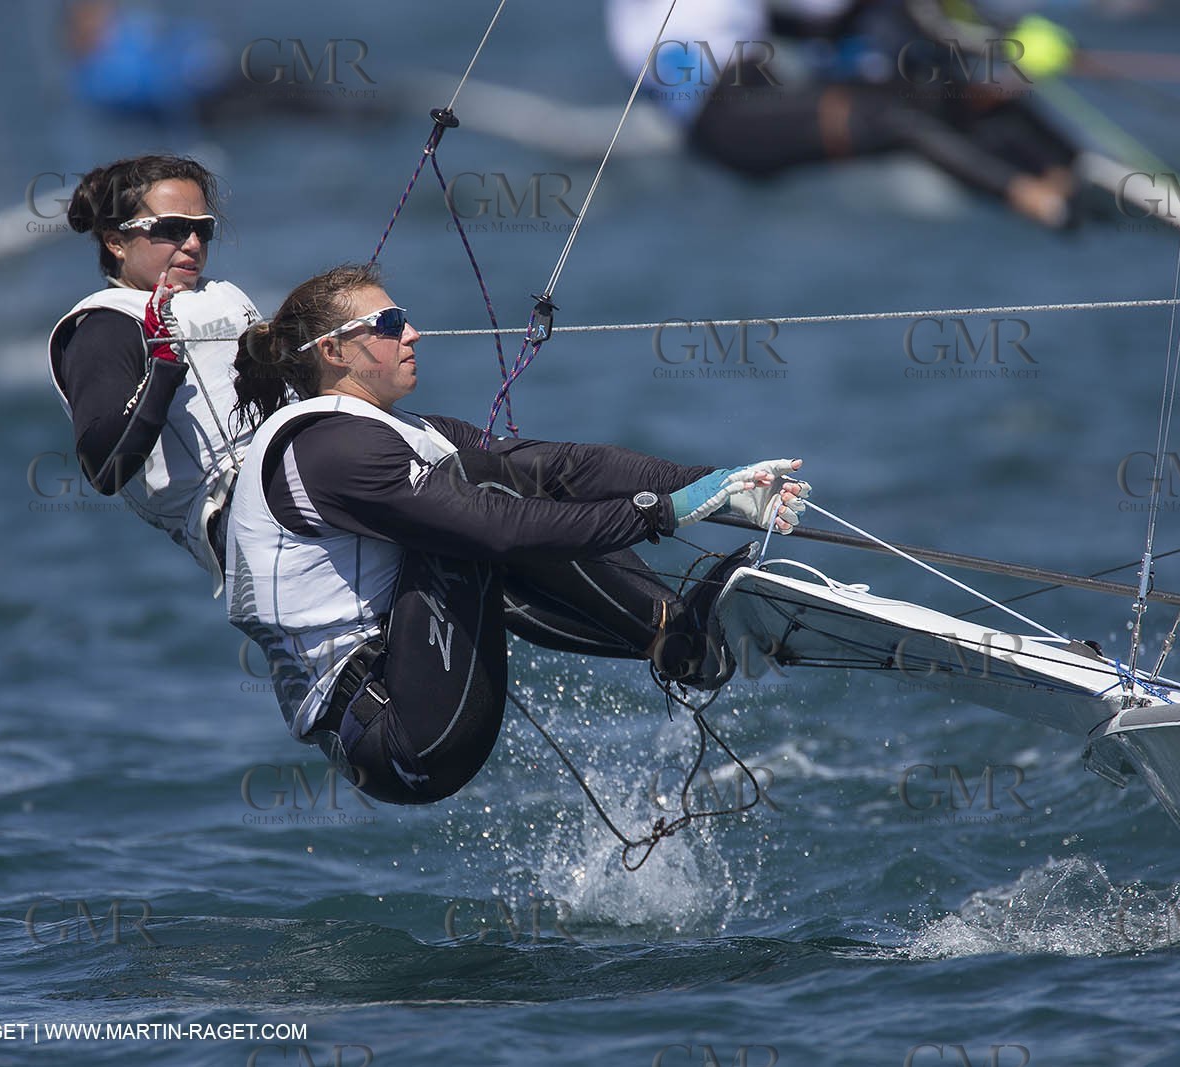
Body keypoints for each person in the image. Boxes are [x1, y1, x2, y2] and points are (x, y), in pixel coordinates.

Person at [227, 263, 810, 806]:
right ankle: (681, 638)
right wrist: (660, 513)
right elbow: (499, 528)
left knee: (494, 485)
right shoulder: (331, 449)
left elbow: (560, 469)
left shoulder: (401, 432)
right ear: (332, 351)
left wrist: (718, 489)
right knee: (480, 514)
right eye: (389, 324)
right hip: (394, 738)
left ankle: (676, 638)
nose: (414, 334)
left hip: (408, 690)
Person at [608, 0, 1085, 229]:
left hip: (760, 96)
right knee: (891, 122)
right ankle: (1030, 197)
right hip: (727, 123)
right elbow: (652, 65)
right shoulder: (641, 14)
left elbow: (822, 23)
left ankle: (1066, 166)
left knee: (937, 94)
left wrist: (994, 32)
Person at [46, 155, 265, 595]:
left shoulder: (222, 295)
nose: (192, 244)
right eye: (170, 229)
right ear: (116, 242)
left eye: (201, 228)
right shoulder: (105, 327)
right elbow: (105, 468)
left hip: (296, 465)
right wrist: (162, 366)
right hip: (237, 515)